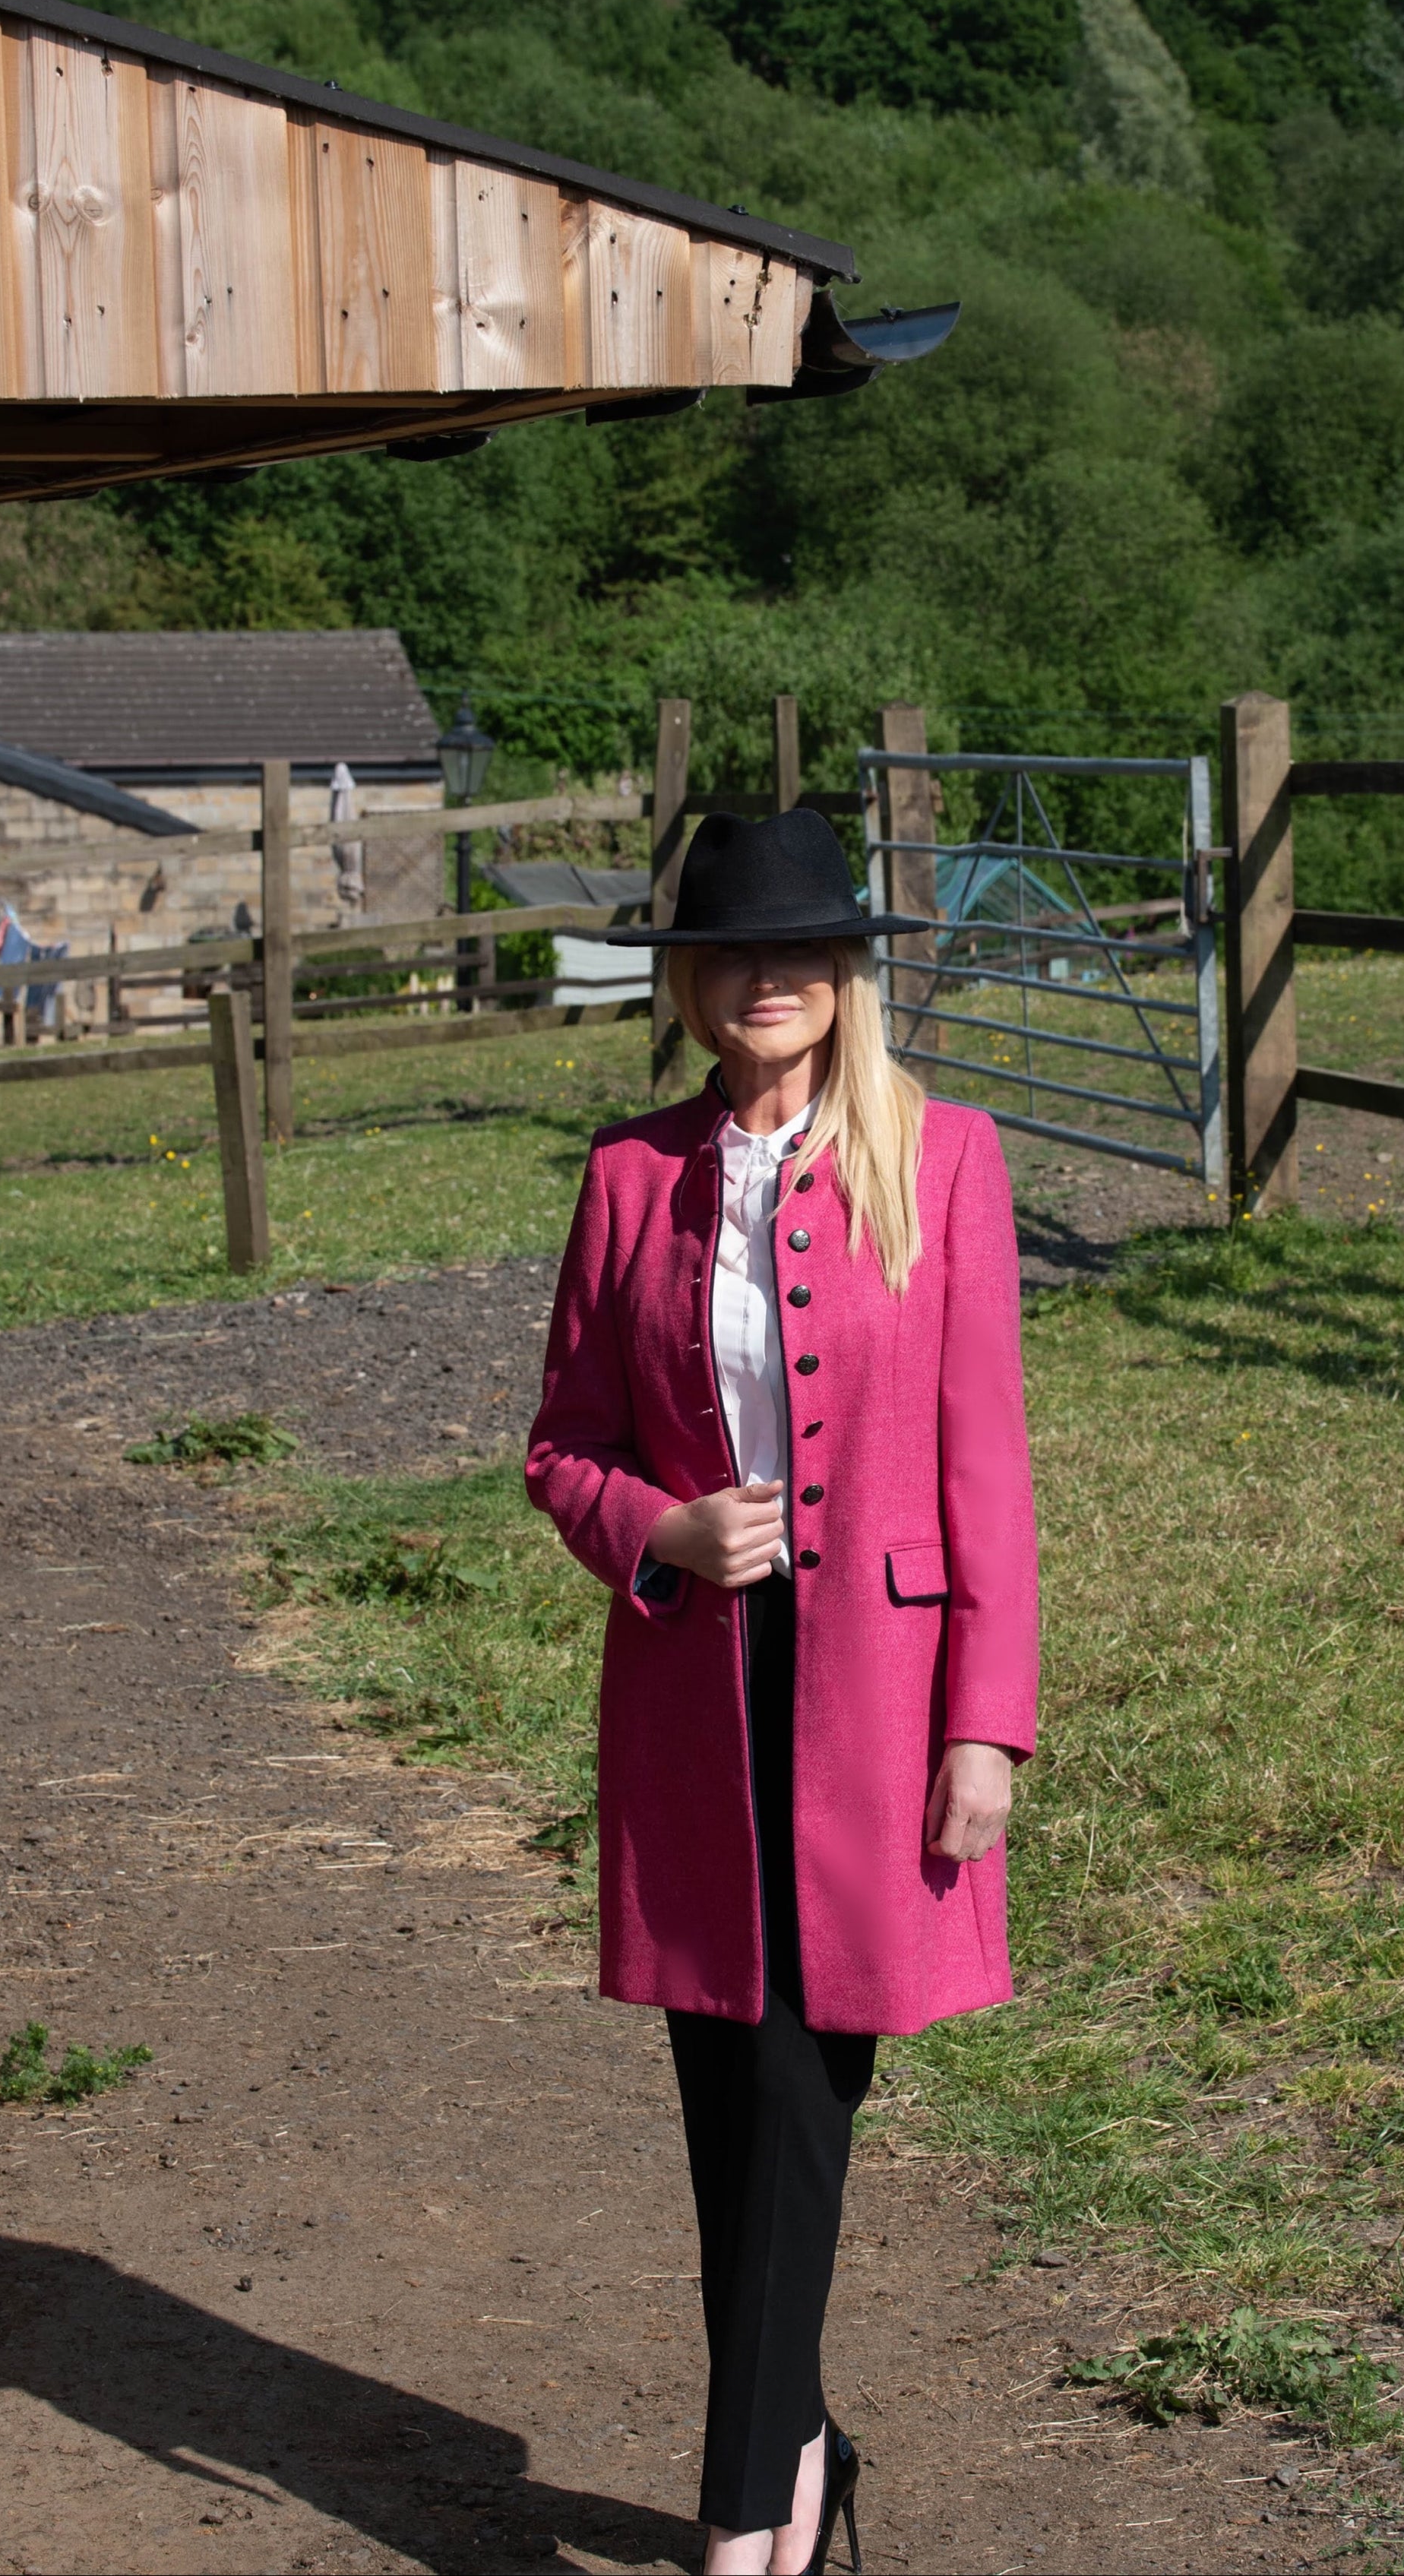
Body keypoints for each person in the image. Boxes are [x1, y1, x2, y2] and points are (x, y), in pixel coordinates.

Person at [527, 807, 1039, 2576]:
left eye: (802, 952)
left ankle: (747, 2515)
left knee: (801, 2106)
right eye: (736, 952)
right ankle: (805, 2447)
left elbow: (988, 1465)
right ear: (686, 979)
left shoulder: (945, 1158)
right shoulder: (623, 1176)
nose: (769, 981)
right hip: (691, 1696)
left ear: (845, 977)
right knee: (721, 2121)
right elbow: (559, 1449)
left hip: (880, 1703)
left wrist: (986, 1723)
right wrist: (655, 1523)